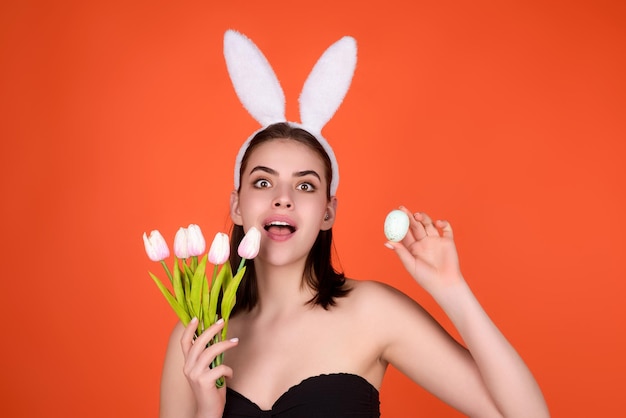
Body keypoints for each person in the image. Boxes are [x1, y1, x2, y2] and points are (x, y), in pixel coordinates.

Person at [159, 30, 549, 418]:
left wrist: (452, 290)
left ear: (327, 212)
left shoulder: (373, 312)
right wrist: (208, 411)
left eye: (305, 185)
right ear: (238, 205)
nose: (283, 197)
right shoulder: (197, 336)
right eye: (263, 182)